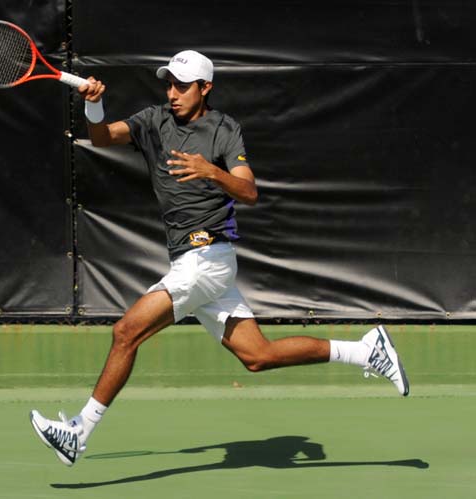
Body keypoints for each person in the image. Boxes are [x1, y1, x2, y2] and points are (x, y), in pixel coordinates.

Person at [30, 50, 409, 466]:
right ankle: (365, 351)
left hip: (206, 256)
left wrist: (212, 172)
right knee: (257, 356)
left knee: (126, 332)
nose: (172, 92)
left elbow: (248, 192)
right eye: (169, 83)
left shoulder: (225, 130)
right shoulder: (154, 121)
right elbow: (102, 138)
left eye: (182, 85)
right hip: (195, 261)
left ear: (205, 88)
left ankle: (80, 432)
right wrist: (93, 103)